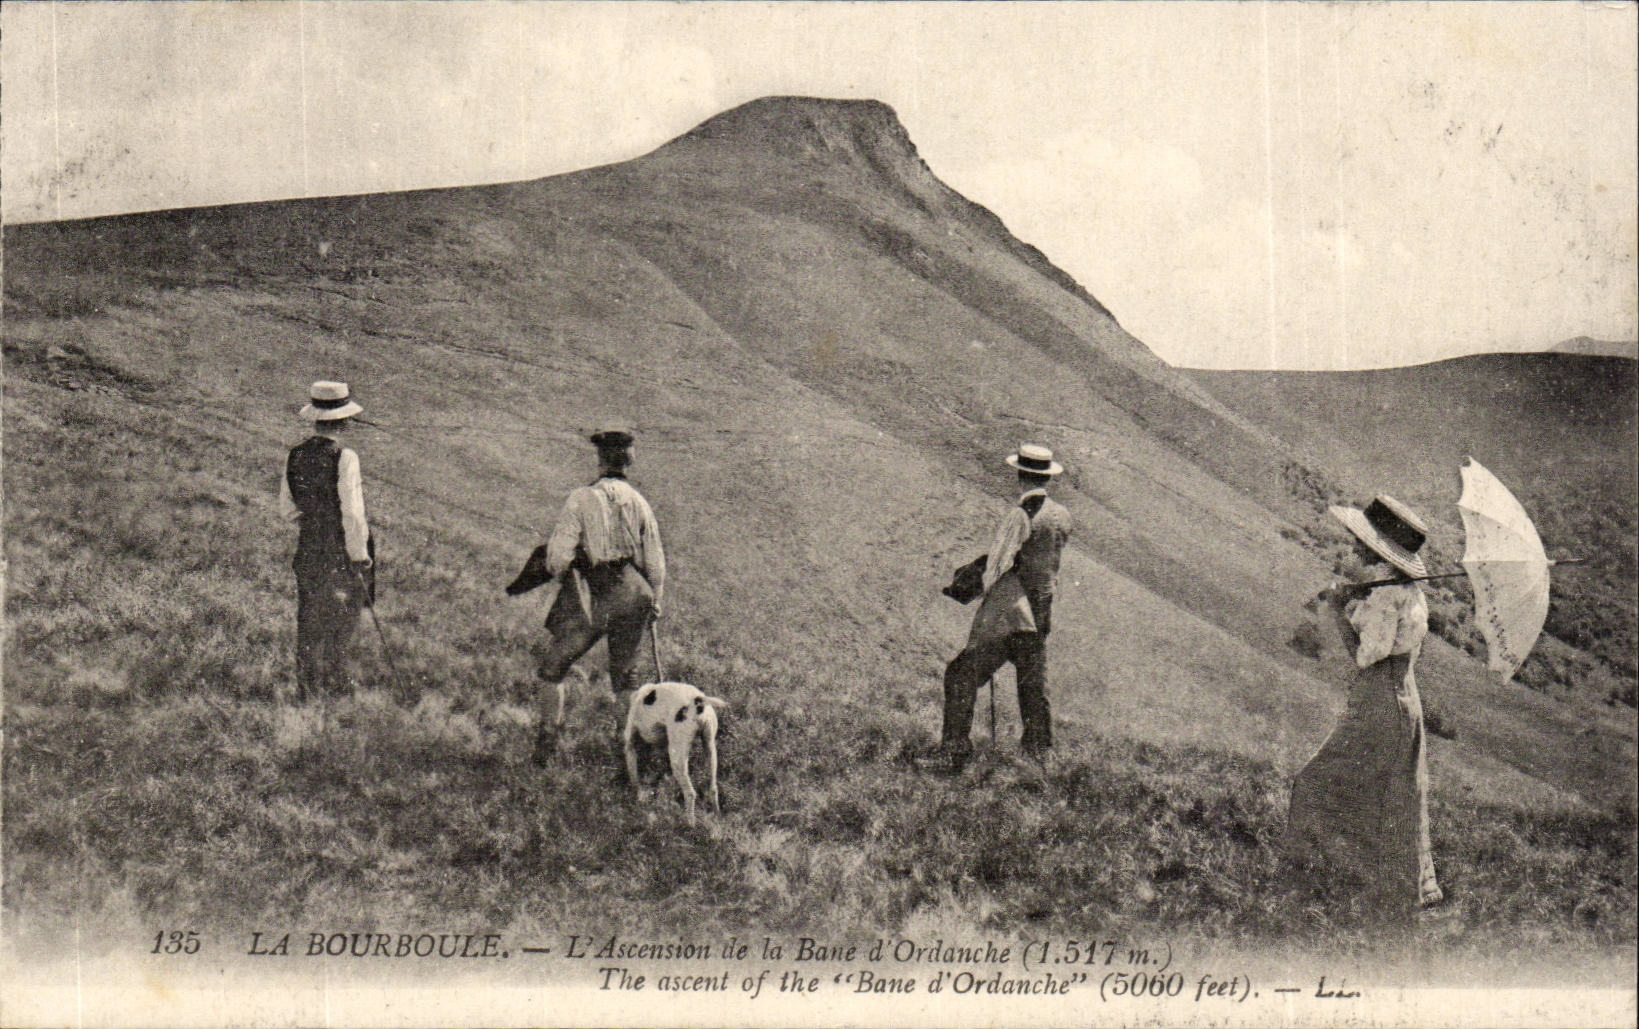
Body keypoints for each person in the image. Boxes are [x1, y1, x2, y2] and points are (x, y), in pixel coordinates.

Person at [1286, 495, 1444, 918]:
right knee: (1388, 798)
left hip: (1380, 702)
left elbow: (1364, 656)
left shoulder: (1387, 600)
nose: (1355, 549)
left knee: (1315, 784)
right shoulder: (1404, 594)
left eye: (1362, 544)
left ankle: (1307, 884)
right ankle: (1377, 895)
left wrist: (1339, 609)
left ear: (1379, 553)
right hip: (1402, 702)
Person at [918, 443, 1074, 775]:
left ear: (1020, 475)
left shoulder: (1020, 515)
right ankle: (1039, 760)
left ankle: (953, 752)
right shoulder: (1061, 517)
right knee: (1033, 689)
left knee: (960, 674)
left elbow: (997, 568)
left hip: (1011, 616)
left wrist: (974, 586)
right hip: (1042, 613)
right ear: (1046, 478)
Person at [523, 426, 666, 765]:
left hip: (597, 590)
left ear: (600, 460)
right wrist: (655, 601)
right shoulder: (640, 503)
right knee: (625, 678)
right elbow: (656, 565)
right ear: (628, 463)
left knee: (553, 666)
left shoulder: (582, 498)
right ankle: (630, 757)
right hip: (637, 592)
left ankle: (547, 743)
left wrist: (571, 571)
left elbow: (557, 558)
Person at [280, 381, 374, 698]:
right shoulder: (345, 457)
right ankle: (334, 687)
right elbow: (353, 514)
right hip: (338, 552)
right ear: (343, 421)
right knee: (341, 619)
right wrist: (359, 556)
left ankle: (307, 688)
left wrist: (313, 518)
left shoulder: (295, 454)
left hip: (308, 549)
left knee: (309, 618)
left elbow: (287, 509)